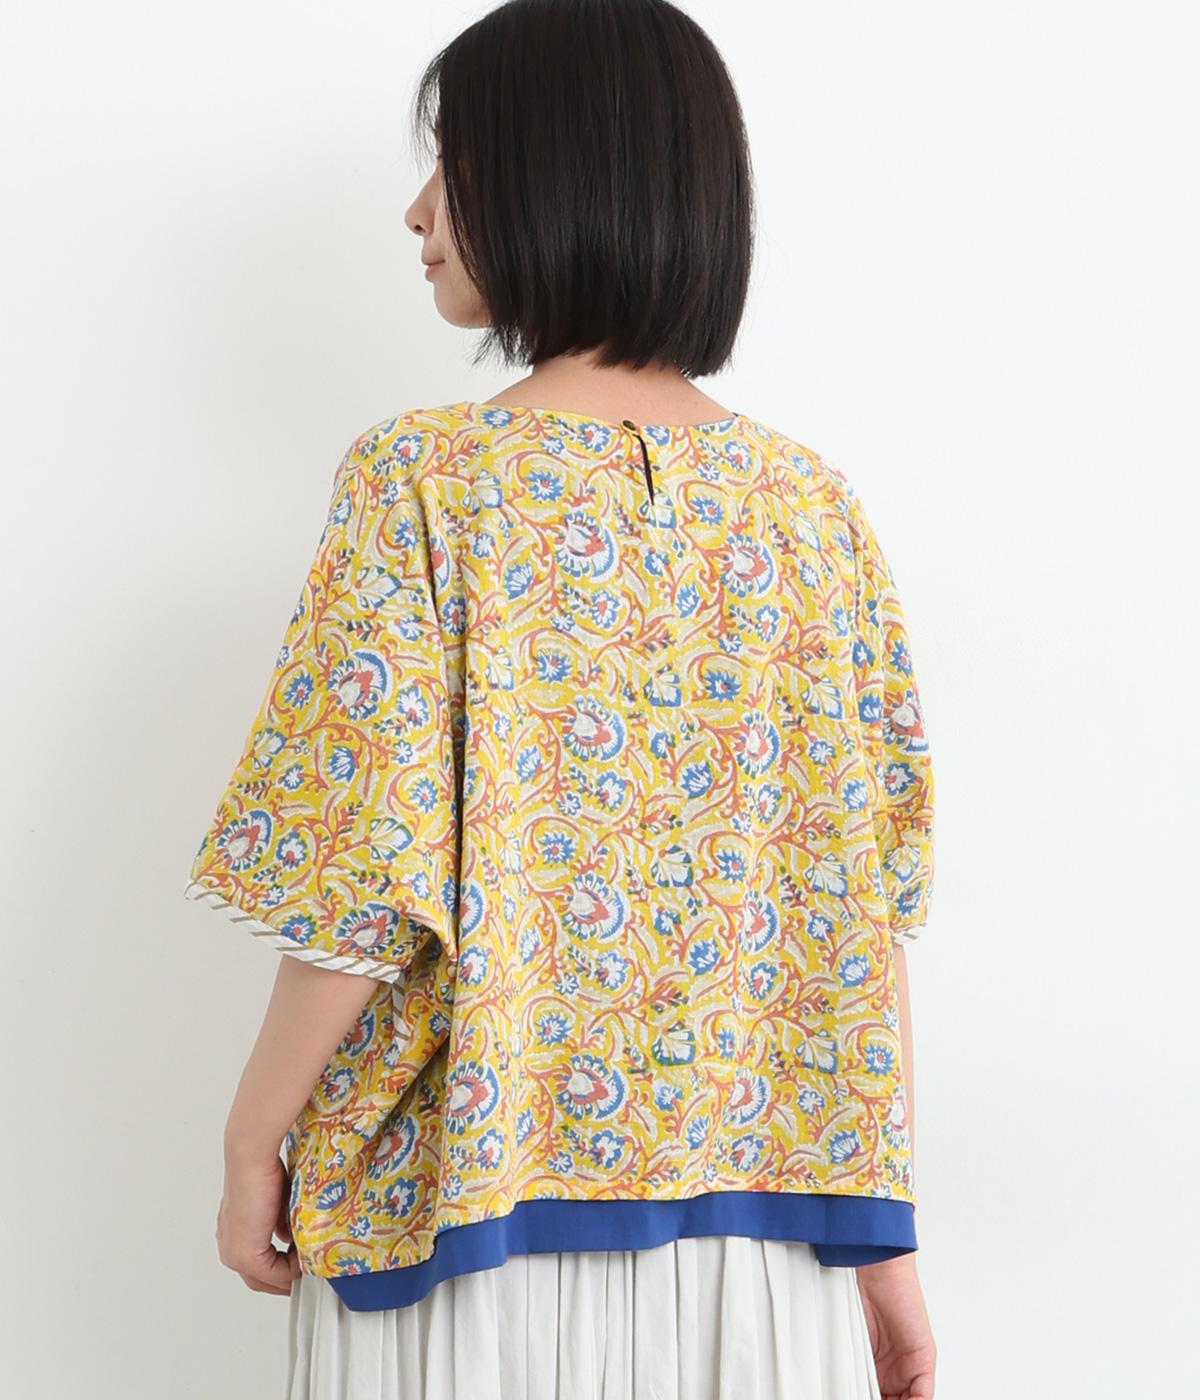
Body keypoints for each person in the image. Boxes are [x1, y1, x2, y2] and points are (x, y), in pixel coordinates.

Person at [184, 1, 940, 1396]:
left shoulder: (424, 481)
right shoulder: (811, 510)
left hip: (472, 1226)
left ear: (559, 169)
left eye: (453, 161)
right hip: (767, 1245)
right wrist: (886, 1247)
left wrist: (248, 1143)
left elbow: (360, 883)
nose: (418, 212)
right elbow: (860, 915)